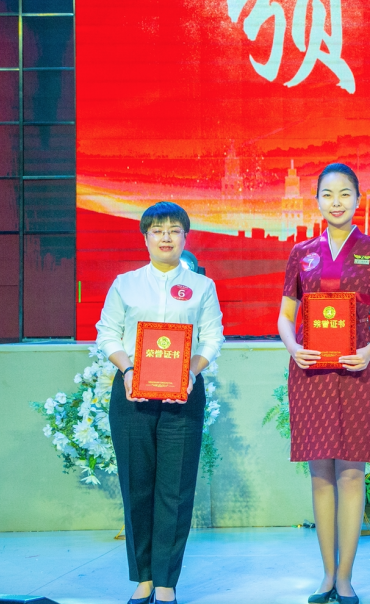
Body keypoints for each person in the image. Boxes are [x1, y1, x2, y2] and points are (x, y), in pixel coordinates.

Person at [278, 162, 370, 604]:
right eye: (328, 194)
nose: (336, 202)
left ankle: (345, 577)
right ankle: (326, 575)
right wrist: (293, 347)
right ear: (317, 201)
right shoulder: (301, 252)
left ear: (358, 199)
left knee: (350, 472)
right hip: (311, 372)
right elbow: (285, 315)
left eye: (345, 194)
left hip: (356, 370)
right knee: (320, 474)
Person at [97, 201, 224, 604]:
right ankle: (144, 578)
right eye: (158, 230)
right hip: (132, 394)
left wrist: (191, 372)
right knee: (137, 487)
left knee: (176, 489)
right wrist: (128, 369)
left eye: (174, 230)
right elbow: (107, 333)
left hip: (183, 394)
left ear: (185, 237)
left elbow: (212, 338)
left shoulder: (202, 287)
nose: (166, 237)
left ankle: (166, 582)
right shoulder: (125, 284)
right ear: (146, 237)